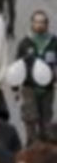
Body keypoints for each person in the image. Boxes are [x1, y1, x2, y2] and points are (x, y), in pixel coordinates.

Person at [16, 10, 57, 144]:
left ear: (47, 24)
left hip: (47, 88)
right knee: (31, 118)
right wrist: (15, 88)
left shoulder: (53, 42)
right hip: (29, 87)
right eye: (36, 22)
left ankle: (46, 147)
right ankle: (31, 146)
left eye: (42, 22)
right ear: (32, 24)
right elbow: (17, 65)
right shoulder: (25, 43)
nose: (39, 25)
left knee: (46, 121)